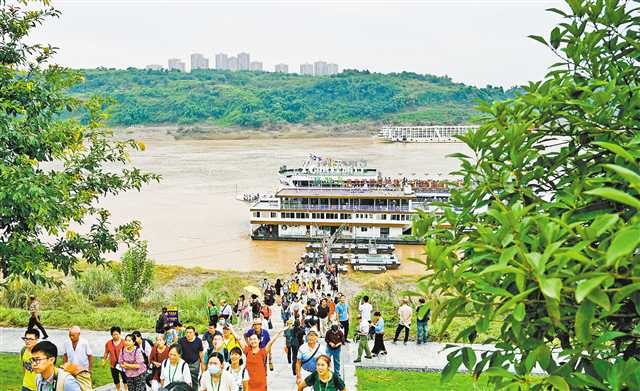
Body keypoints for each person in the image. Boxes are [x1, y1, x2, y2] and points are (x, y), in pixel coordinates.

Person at [232, 324, 285, 391]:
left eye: (255, 339)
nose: (253, 341)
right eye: (251, 339)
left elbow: (271, 342)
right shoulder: (247, 351)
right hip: (249, 383)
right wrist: (231, 329)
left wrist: (279, 332)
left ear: (259, 340)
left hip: (261, 384)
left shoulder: (263, 352)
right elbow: (239, 339)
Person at [102, 326, 128, 391]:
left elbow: (128, 353)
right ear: (111, 335)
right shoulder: (108, 343)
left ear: (120, 334)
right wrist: (104, 361)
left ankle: (126, 389)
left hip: (123, 365)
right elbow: (106, 352)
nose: (115, 336)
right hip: (113, 365)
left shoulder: (124, 342)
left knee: (125, 378)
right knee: (116, 379)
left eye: (117, 334)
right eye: (114, 335)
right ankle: (118, 389)